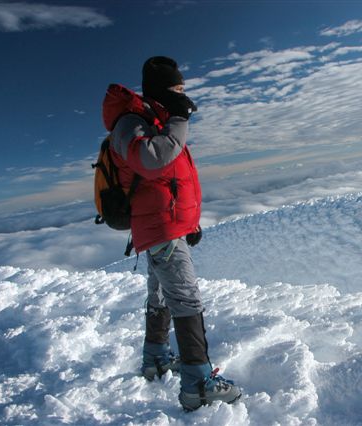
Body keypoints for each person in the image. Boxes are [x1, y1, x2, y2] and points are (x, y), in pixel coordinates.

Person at [101, 56, 241, 411]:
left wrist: (189, 224)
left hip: (167, 224)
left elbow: (171, 181)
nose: (183, 94)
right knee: (186, 297)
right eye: (177, 89)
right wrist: (179, 119)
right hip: (158, 226)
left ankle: (156, 358)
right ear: (162, 89)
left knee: (162, 293)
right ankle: (198, 383)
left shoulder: (156, 121)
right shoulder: (131, 123)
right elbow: (152, 160)